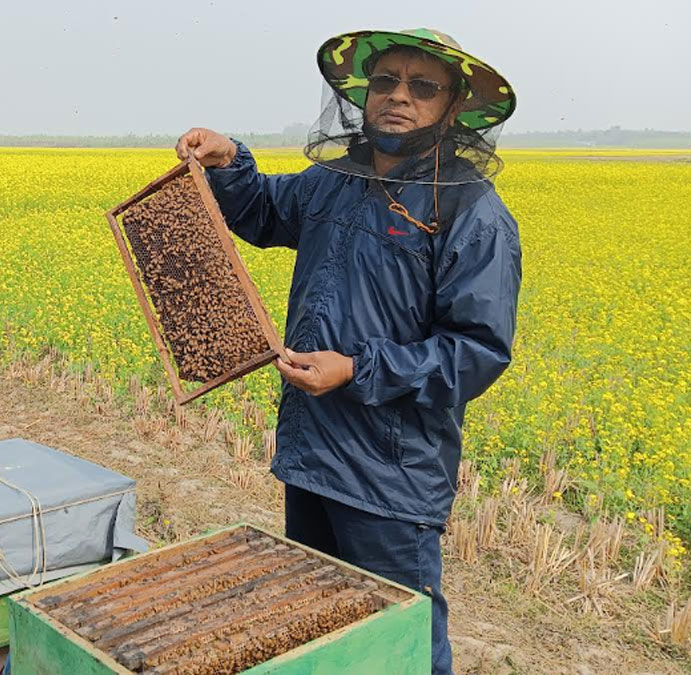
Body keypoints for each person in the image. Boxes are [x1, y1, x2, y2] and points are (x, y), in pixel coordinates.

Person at [176, 28, 522, 675]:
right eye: (385, 81)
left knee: (401, 644)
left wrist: (358, 368)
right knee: (321, 626)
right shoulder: (335, 181)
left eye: (423, 87)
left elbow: (476, 350)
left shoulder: (471, 211)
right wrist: (229, 160)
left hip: (391, 475)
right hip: (312, 453)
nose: (398, 96)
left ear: (452, 107)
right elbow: (264, 210)